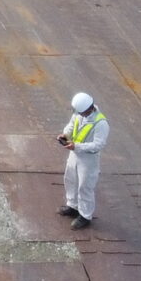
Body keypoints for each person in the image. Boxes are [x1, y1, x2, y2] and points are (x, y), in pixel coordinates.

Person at [58, 92, 108, 228]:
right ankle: (72, 206)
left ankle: (85, 215)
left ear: (88, 109)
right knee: (70, 179)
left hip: (88, 159)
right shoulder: (79, 113)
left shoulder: (100, 123)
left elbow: (98, 145)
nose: (78, 114)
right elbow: (71, 125)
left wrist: (77, 146)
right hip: (74, 153)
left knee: (85, 186)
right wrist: (65, 134)